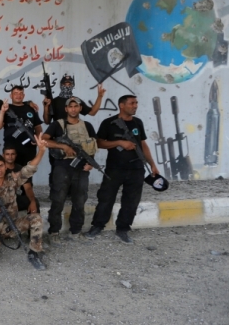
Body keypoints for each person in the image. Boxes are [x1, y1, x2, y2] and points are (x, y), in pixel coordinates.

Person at [85, 95, 160, 244]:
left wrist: (152, 164)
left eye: (136, 103)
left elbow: (143, 144)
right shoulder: (109, 123)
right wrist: (120, 142)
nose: (135, 106)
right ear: (122, 105)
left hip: (136, 168)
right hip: (115, 168)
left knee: (131, 201)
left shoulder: (138, 123)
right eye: (132, 103)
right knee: (106, 198)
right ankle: (98, 225)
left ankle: (123, 229)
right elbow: (99, 143)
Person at [0, 134, 49, 270]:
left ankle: (35, 251)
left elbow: (29, 169)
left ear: (5, 166)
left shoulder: (12, 179)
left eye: (1, 166)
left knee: (36, 219)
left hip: (12, 226)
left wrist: (41, 151)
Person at [42, 97, 99, 242]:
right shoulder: (58, 125)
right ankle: (54, 231)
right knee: (58, 199)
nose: (73, 109)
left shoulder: (87, 125)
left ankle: (76, 231)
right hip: (62, 166)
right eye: (70, 106)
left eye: (76, 106)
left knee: (80, 201)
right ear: (66, 109)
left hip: (82, 168)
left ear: (80, 108)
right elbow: (44, 140)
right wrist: (63, 146)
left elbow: (92, 146)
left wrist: (91, 162)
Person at [0, 86, 43, 168]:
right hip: (11, 147)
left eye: (21, 93)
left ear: (24, 96)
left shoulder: (31, 108)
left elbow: (37, 126)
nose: (18, 95)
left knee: (28, 172)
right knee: (10, 172)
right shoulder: (7, 108)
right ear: (11, 96)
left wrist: (37, 138)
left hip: (29, 147)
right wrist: (3, 111)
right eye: (15, 93)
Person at [0, 145, 38, 214]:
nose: (10, 156)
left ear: (16, 155)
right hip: (0, 199)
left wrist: (32, 201)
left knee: (34, 202)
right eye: (7, 154)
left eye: (12, 154)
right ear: (3, 155)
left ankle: (33, 223)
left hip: (13, 198)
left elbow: (28, 188)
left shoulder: (20, 169)